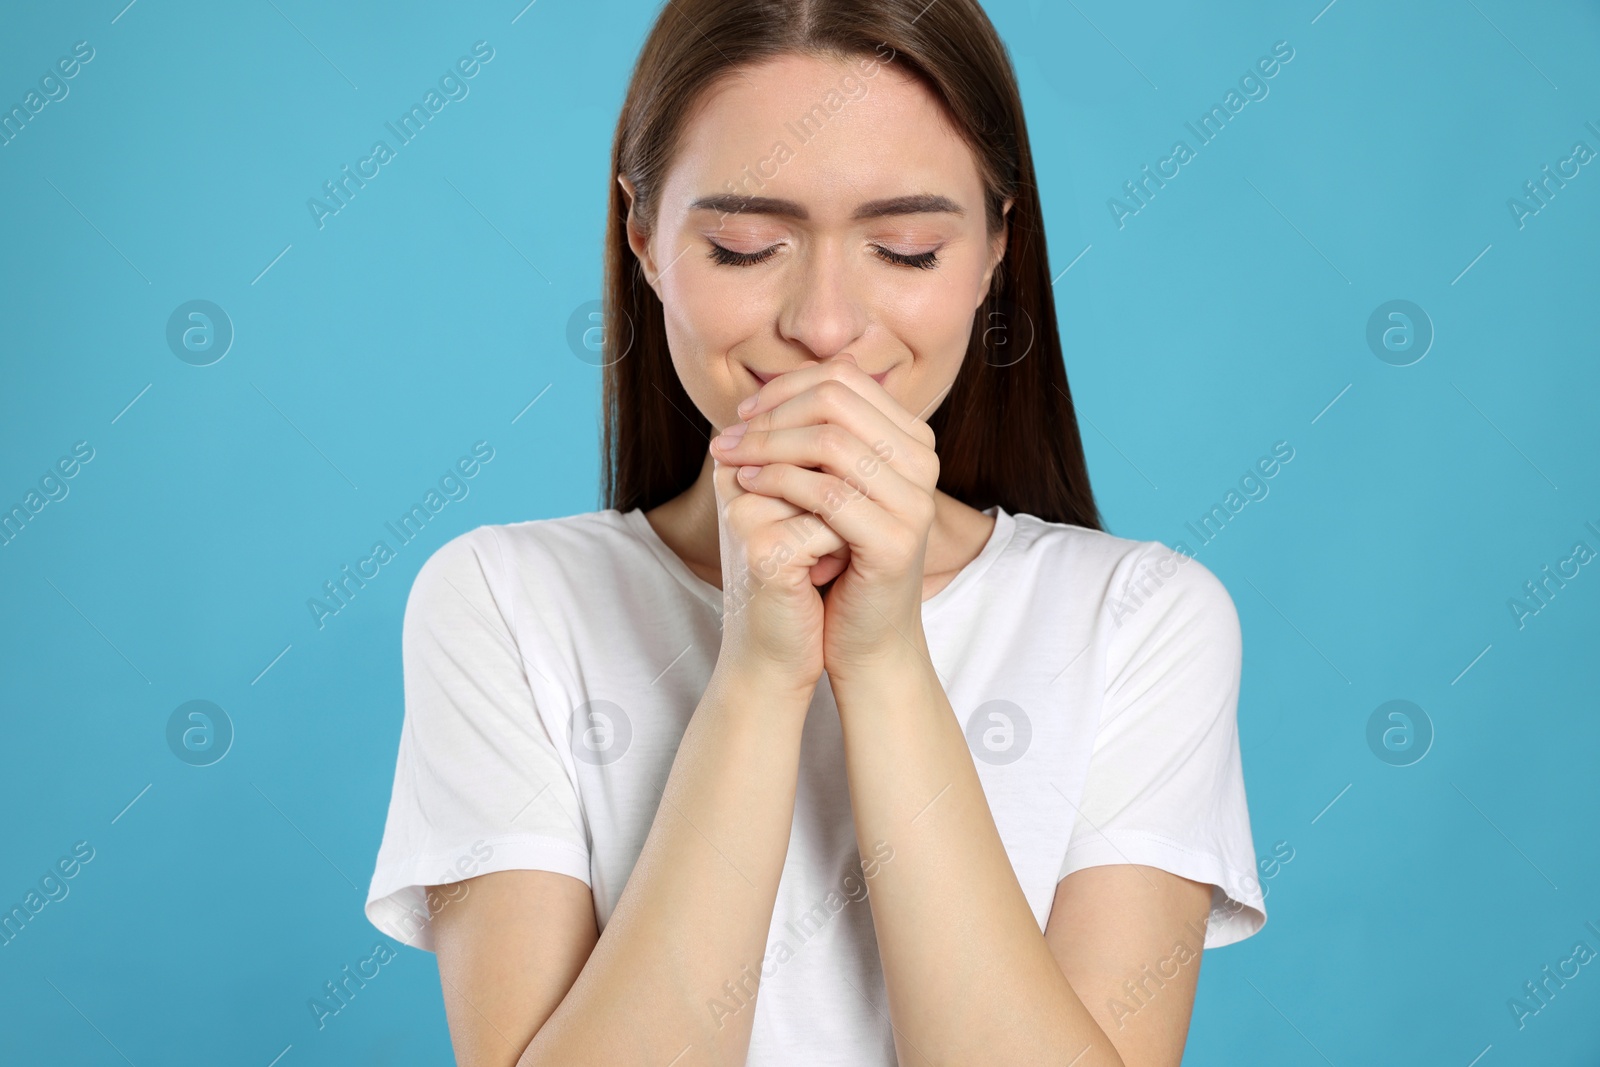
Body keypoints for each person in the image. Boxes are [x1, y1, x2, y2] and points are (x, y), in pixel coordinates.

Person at [364, 1, 1266, 1063]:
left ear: (993, 251)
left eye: (905, 247)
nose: (826, 325)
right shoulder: (504, 602)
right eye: (746, 246)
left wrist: (883, 663)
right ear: (643, 236)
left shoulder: (1142, 622)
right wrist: (757, 672)